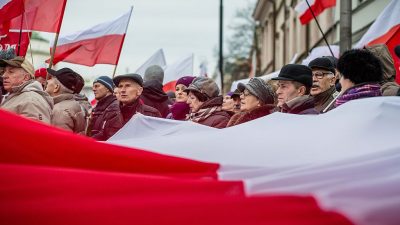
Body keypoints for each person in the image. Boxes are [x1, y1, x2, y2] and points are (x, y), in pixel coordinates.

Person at [0, 56, 53, 123]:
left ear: (26, 77)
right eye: (4, 72)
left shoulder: (32, 100)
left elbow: (35, 132)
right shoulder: (19, 96)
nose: (4, 76)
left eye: (11, 72)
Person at [46, 68, 86, 133]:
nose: (47, 81)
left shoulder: (60, 111)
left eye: (51, 78)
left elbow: (59, 141)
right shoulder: (72, 104)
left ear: (56, 87)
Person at [87, 76, 123, 141]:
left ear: (107, 88)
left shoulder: (114, 107)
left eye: (97, 86)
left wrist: (88, 141)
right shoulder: (97, 107)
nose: (93, 89)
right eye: (93, 86)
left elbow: (109, 135)